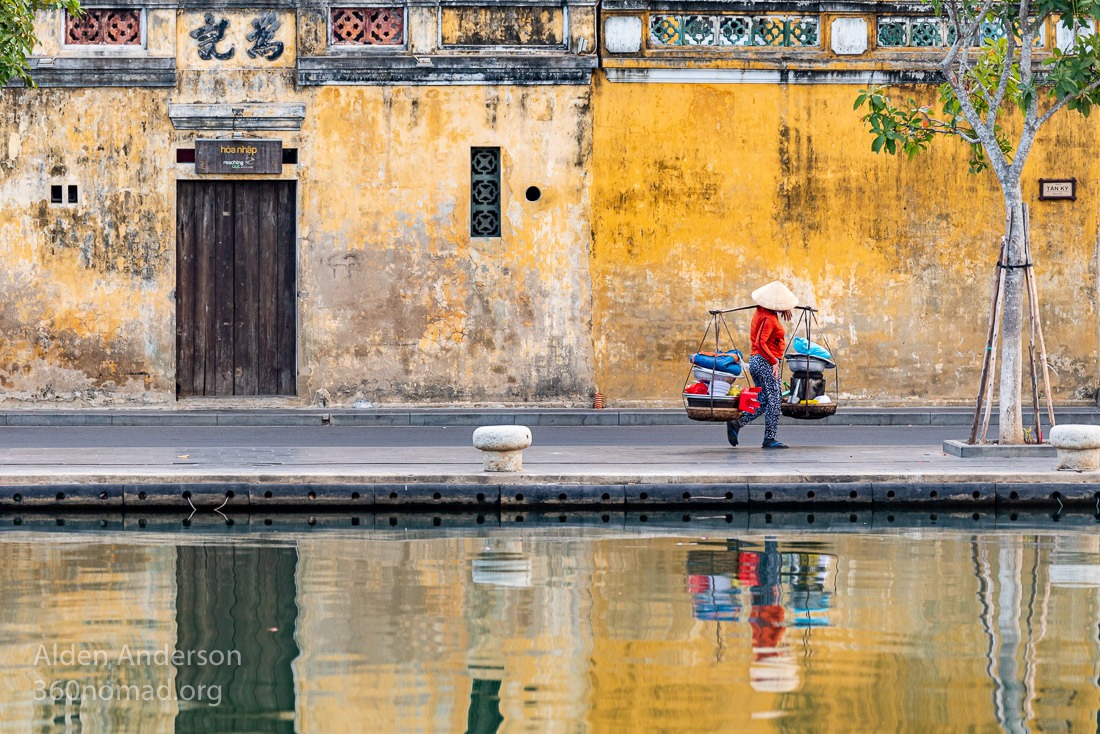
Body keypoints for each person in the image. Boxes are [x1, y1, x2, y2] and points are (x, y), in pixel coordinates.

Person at [727, 281, 797, 449]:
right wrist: (773, 362)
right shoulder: (768, 318)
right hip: (766, 361)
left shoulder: (762, 311)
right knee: (775, 400)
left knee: (764, 400)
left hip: (757, 361)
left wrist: (782, 310)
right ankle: (770, 438)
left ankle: (737, 423)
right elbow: (760, 342)